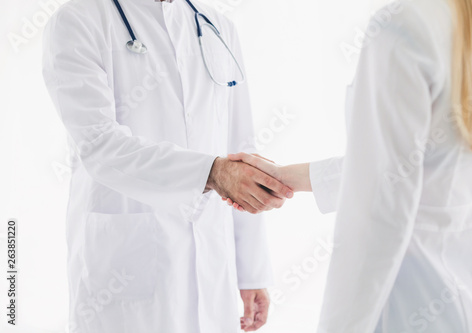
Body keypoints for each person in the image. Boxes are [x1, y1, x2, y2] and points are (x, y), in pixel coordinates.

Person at [228, 0, 472, 331]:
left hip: (411, 300)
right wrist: (291, 178)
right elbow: (421, 169)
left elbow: (379, 212)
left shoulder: (400, 27)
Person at [42, 0, 294, 332]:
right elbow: (100, 144)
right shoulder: (78, 20)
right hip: (128, 269)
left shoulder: (217, 26)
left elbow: (240, 146)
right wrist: (212, 173)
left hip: (213, 264)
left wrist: (251, 271)